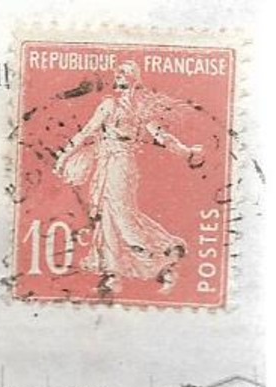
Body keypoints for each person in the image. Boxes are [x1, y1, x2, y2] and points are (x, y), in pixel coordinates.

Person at [53, 59, 201, 296]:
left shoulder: (137, 108)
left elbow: (161, 136)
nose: (120, 81)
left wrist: (187, 152)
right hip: (107, 164)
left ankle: (164, 252)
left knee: (122, 216)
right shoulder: (110, 106)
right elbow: (86, 132)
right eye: (118, 78)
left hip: (121, 166)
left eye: (125, 78)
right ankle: (113, 274)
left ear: (134, 81)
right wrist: (63, 157)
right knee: (106, 215)